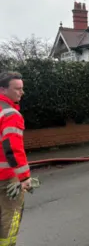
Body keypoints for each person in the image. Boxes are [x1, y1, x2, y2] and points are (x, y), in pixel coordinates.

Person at [0, 71, 30, 245]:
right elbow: (12, 149)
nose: (21, 93)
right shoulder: (11, 114)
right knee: (11, 215)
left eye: (22, 89)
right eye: (17, 89)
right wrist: (24, 177)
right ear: (3, 90)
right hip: (7, 178)